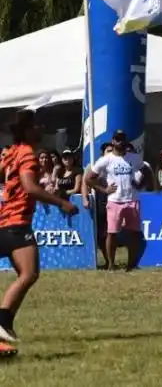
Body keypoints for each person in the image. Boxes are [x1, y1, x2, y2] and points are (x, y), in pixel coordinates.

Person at [0, 110, 79, 347]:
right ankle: (3, 322)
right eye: (37, 125)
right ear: (27, 130)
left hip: (5, 221)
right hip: (16, 223)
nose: (41, 128)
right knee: (29, 274)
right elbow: (30, 187)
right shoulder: (26, 154)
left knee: (26, 274)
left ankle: (4, 326)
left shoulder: (11, 153)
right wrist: (62, 202)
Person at [85, 137, 150, 271]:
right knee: (112, 233)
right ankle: (111, 264)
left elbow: (147, 172)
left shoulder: (134, 157)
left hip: (132, 199)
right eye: (117, 139)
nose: (120, 142)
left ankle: (132, 264)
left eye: (122, 139)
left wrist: (140, 185)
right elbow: (89, 178)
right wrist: (105, 190)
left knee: (134, 233)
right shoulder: (106, 159)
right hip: (115, 200)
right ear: (113, 141)